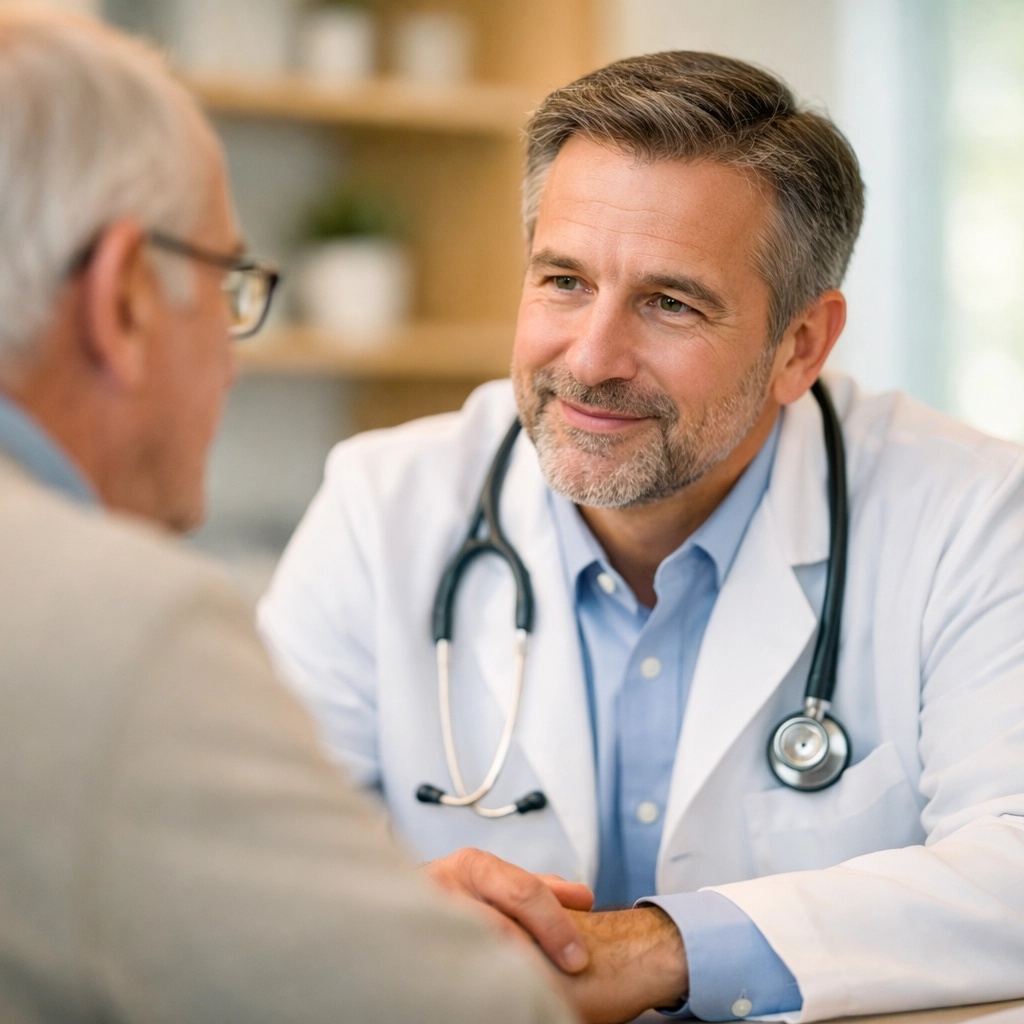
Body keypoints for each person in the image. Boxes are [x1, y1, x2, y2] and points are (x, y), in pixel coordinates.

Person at [260, 51, 1024, 1023]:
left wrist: (658, 948)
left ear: (800, 345)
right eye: (564, 281)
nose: (591, 358)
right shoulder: (383, 506)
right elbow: (233, 860)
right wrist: (384, 919)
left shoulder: (972, 514)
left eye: (669, 303)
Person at [0, 9, 588, 1022]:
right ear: (124, 299)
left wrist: (366, 915)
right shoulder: (118, 624)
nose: (232, 361)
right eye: (228, 288)